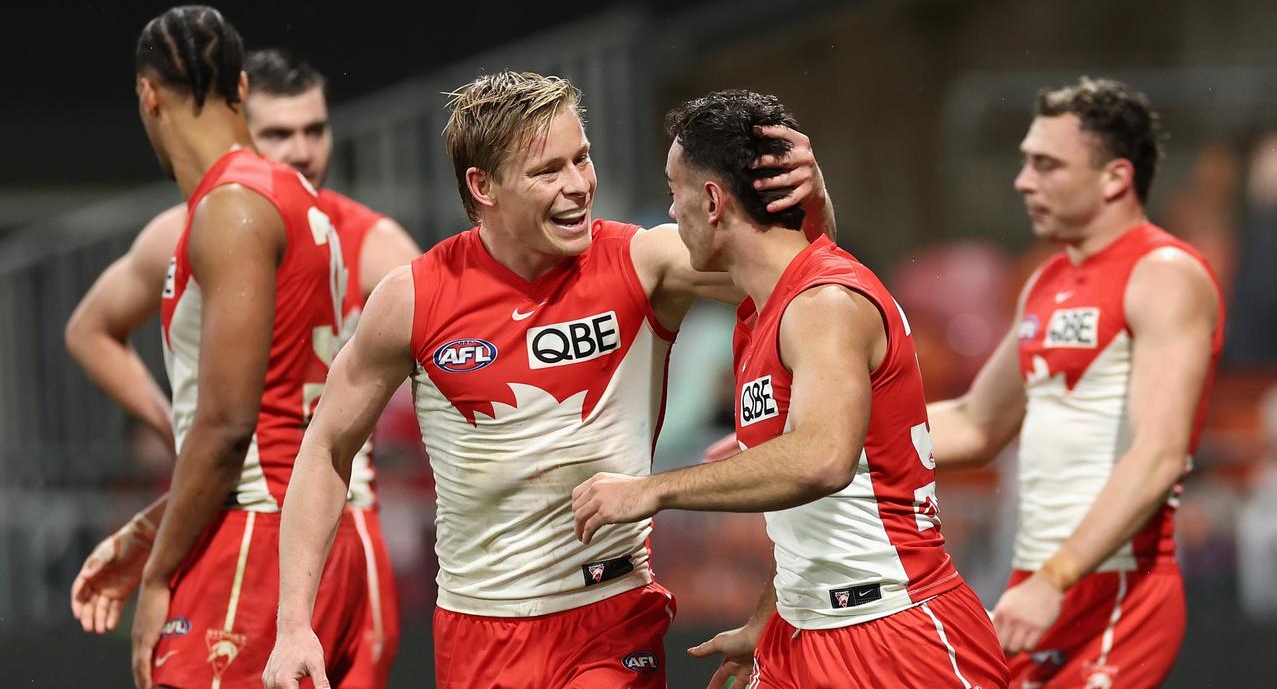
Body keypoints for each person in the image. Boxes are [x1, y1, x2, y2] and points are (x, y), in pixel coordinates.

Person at [262, 71, 833, 689]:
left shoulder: (645, 263)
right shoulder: (414, 297)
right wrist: (294, 624)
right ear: (483, 187)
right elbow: (326, 446)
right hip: (478, 634)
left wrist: (816, 204)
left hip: (612, 622)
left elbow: (810, 287)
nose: (577, 186)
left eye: (582, 158)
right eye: (546, 171)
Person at [570, 90, 1008, 689]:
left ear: (713, 200)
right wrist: (766, 620)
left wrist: (652, 491)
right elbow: (818, 510)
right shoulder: (763, 310)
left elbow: (823, 460)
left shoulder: (825, 302)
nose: (670, 213)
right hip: (805, 634)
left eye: (674, 193)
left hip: (896, 641)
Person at [65, 47, 418, 686]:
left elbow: (452, 379)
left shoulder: (376, 243)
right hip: (262, 514)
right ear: (239, 127)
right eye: (279, 132)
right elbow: (89, 330)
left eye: (315, 129)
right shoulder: (193, 226)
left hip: (324, 523)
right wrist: (179, 430)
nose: (303, 150)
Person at [925, 77, 1223, 688]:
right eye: (1025, 162)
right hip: (1035, 587)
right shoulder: (1048, 280)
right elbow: (976, 423)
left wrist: (1055, 578)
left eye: (1046, 164)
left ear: (1114, 178)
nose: (1023, 181)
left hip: (1115, 590)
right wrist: (834, 434)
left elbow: (1160, 455)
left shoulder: (1164, 274)